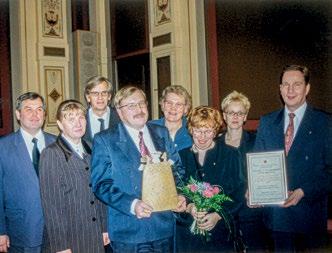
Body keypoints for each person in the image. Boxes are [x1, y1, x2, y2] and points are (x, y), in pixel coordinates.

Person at [91, 86, 186, 253]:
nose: (139, 109)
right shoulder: (105, 140)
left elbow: (177, 170)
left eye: (141, 103)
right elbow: (101, 184)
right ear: (119, 112)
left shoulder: (161, 133)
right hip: (129, 231)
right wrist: (133, 204)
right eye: (131, 106)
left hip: (163, 228)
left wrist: (180, 194)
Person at [254, 65, 332, 252]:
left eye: (296, 85)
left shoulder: (325, 123)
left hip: (309, 217)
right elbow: (257, 163)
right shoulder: (267, 122)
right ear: (280, 89)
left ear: (307, 88)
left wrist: (304, 191)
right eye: (286, 85)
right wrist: (254, 189)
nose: (290, 90)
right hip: (275, 221)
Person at [39, 99, 109, 253]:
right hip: (70, 238)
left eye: (81, 117)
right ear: (59, 124)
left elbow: (100, 189)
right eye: (71, 119)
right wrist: (61, 245)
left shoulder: (92, 147)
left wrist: (105, 227)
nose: (78, 123)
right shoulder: (51, 154)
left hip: (95, 233)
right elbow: (52, 206)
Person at [177, 106, 245, 253]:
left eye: (207, 131)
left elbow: (239, 192)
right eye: (197, 130)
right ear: (190, 130)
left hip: (221, 233)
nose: (202, 136)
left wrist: (218, 215)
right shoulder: (180, 157)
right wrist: (189, 207)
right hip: (189, 235)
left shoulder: (231, 155)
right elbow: (176, 191)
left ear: (215, 131)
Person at [0, 92, 56, 253]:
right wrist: (1, 231)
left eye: (39, 109)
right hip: (21, 230)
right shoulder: (3, 147)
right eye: (28, 109)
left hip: (56, 231)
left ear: (44, 115)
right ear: (18, 114)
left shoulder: (58, 143)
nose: (35, 114)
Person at [220, 91, 267, 252]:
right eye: (231, 112)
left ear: (245, 116)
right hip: (224, 213)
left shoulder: (257, 141)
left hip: (251, 211)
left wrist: (260, 191)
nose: (235, 117)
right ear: (224, 116)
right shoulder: (214, 144)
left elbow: (265, 174)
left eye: (240, 113)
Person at [150, 85, 192, 151]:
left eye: (178, 104)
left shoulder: (193, 130)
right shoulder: (149, 128)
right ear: (162, 105)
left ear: (186, 109)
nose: (173, 108)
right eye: (169, 103)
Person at [83, 76, 120, 146]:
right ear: (88, 97)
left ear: (109, 96)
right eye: (95, 93)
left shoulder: (121, 117)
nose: (100, 97)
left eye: (104, 93)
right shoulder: (81, 118)